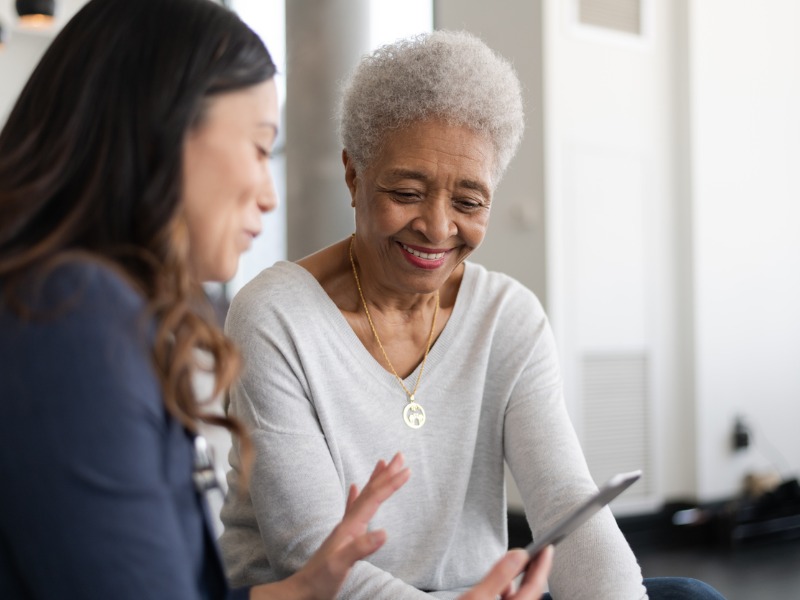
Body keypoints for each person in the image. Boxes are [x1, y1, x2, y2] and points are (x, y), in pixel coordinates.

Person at [0, 1, 553, 598]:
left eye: (468, 201)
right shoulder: (73, 318)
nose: (269, 195)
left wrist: (301, 591)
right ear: (159, 134)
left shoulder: (85, 309)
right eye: (261, 149)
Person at [218, 30, 727, 600]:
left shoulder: (508, 317)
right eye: (407, 192)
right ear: (353, 174)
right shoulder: (275, 316)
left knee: (687, 596)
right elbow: (312, 557)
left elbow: (565, 501)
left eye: (468, 202)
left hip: (477, 593)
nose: (438, 228)